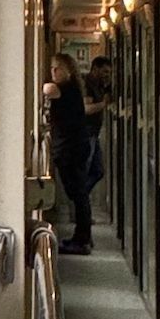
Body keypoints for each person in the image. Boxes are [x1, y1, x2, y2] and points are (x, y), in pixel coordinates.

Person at [44, 52, 94, 255]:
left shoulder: (66, 88)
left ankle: (82, 239)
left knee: (78, 194)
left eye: (58, 68)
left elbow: (47, 89)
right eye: (51, 69)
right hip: (72, 147)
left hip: (70, 149)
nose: (53, 72)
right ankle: (83, 236)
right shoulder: (72, 89)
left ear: (69, 71)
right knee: (78, 194)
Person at [83, 53, 116, 200]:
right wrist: (103, 104)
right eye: (104, 72)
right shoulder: (87, 84)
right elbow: (87, 108)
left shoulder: (99, 85)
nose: (106, 75)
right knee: (87, 169)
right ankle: (79, 202)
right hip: (86, 133)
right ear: (95, 69)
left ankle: (81, 199)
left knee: (98, 171)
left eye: (109, 73)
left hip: (93, 134)